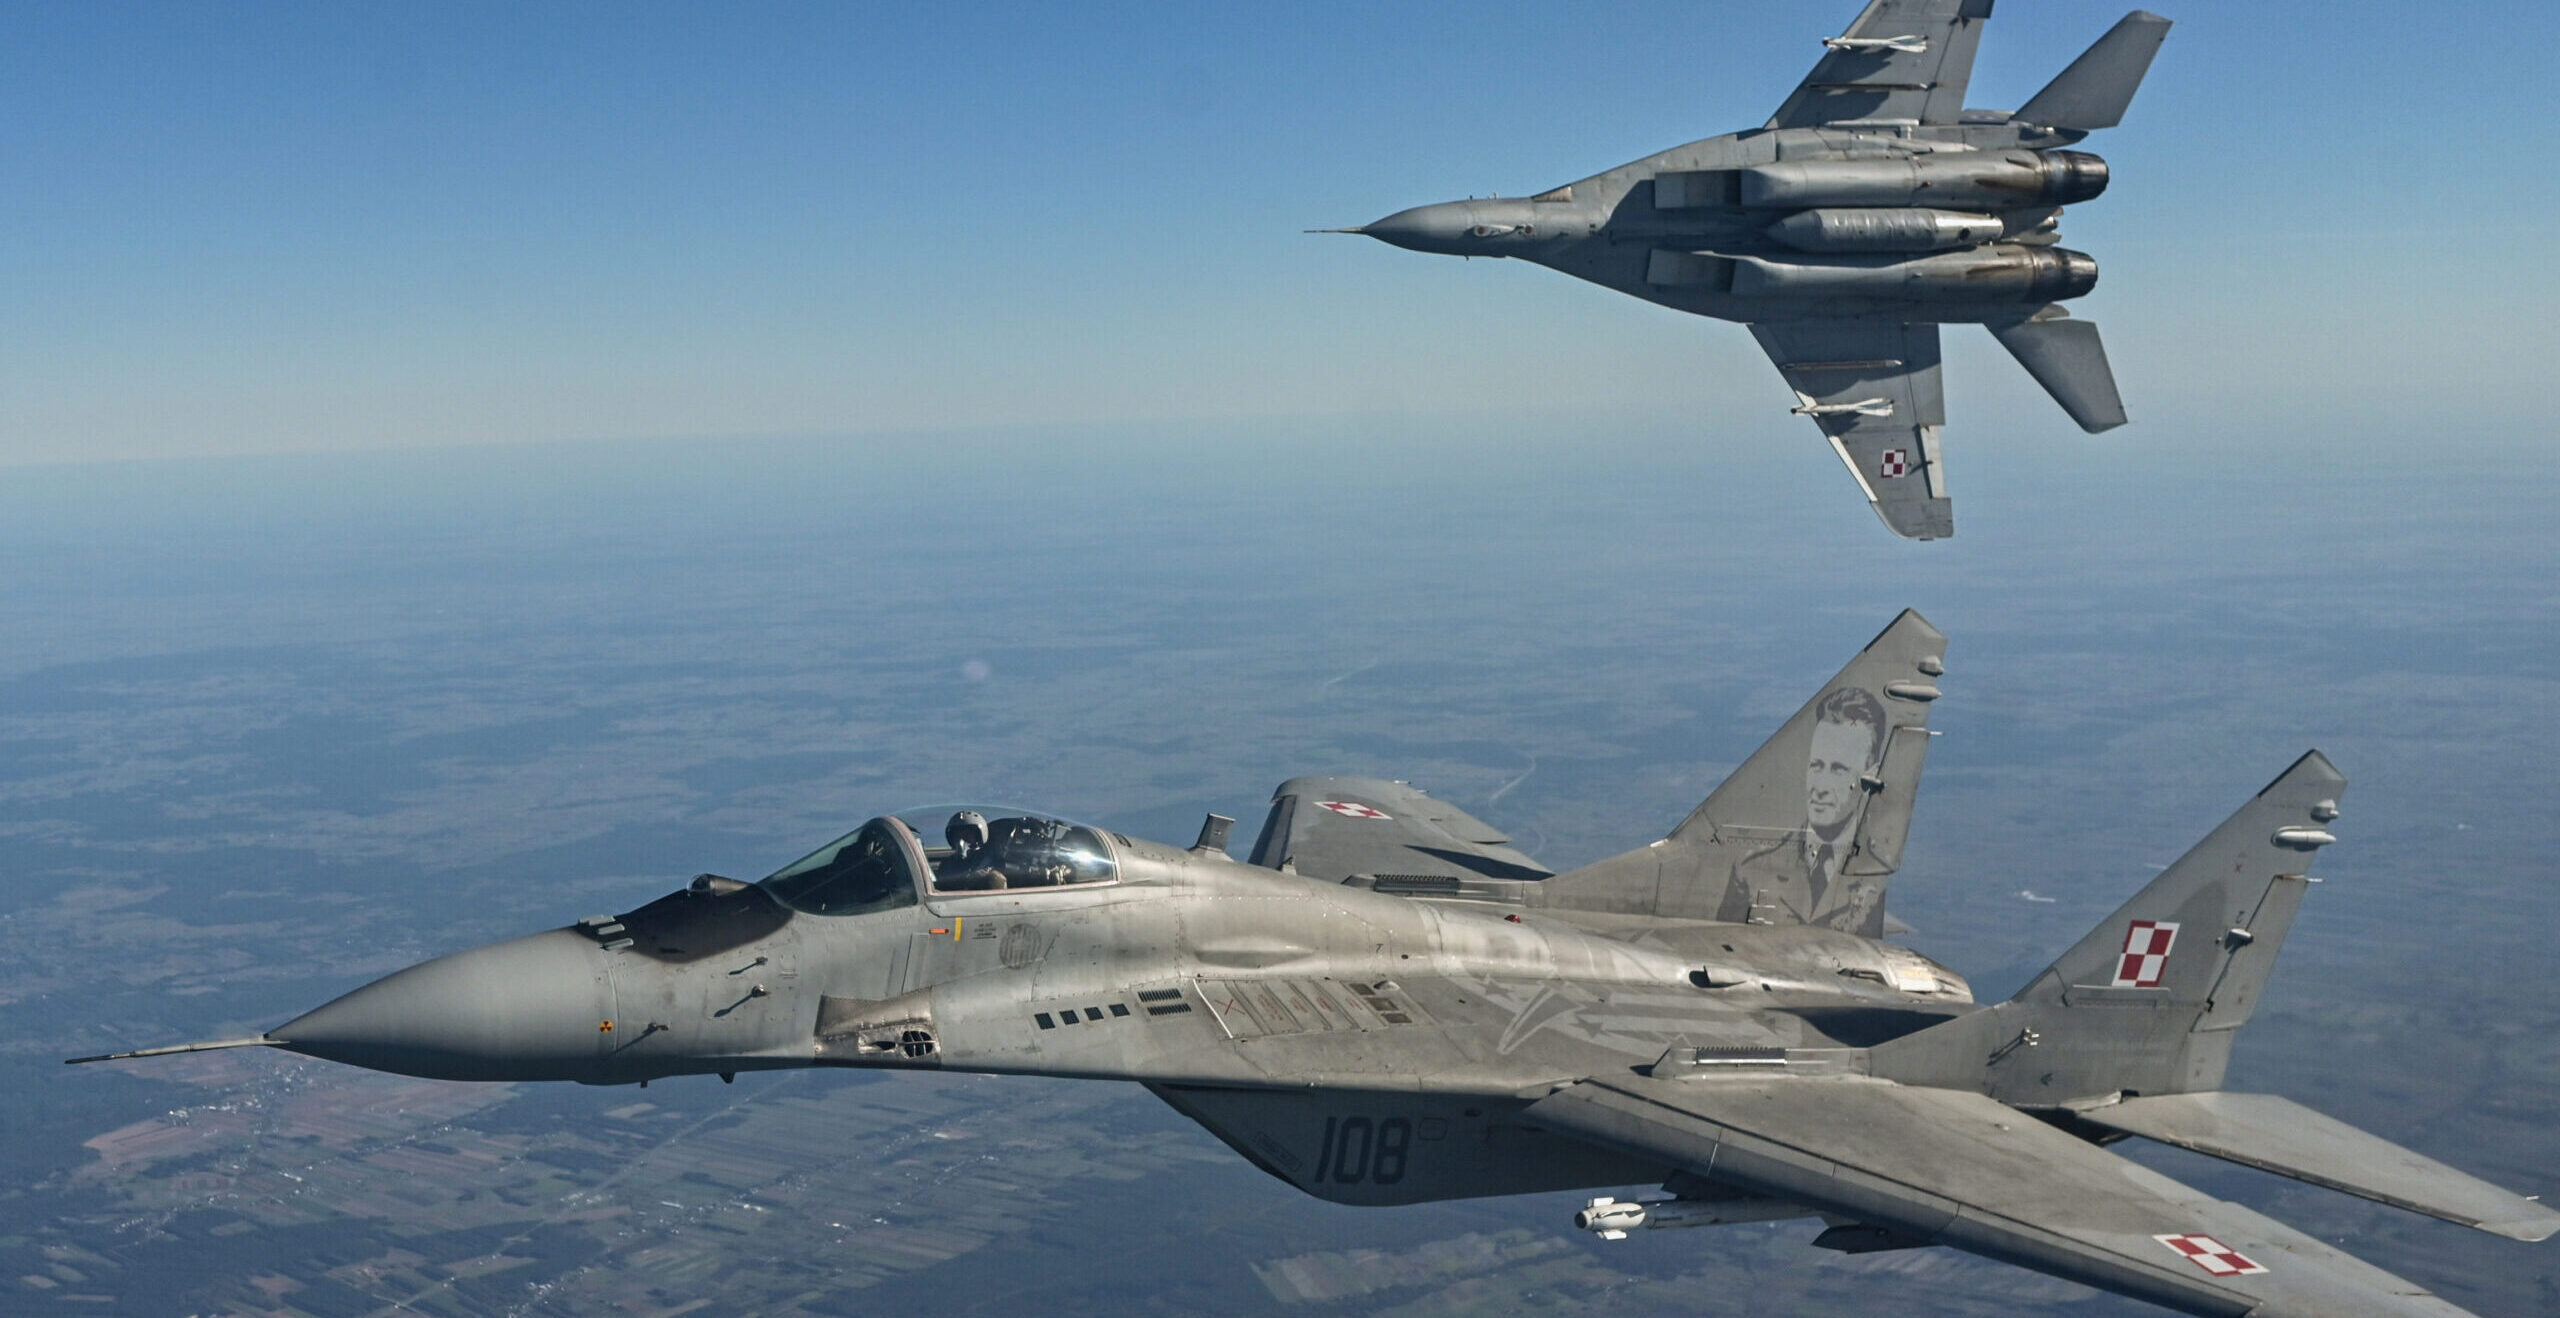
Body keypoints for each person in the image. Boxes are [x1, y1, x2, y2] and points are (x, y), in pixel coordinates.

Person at [1717, 686, 1890, 932]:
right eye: (1816, 766)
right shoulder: (1751, 869)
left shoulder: (1869, 886)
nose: (1820, 787)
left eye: (1838, 769)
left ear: (1870, 775)